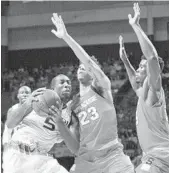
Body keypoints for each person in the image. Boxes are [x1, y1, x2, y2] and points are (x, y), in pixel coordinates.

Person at [49, 13, 134, 173]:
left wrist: (66, 37)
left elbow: (87, 61)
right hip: (87, 161)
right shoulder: (72, 105)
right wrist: (60, 123)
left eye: (86, 66)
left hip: (112, 157)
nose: (82, 67)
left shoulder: (102, 87)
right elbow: (75, 147)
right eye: (79, 66)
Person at [119, 3, 169, 173]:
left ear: (151, 70)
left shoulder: (155, 91)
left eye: (142, 66)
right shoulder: (143, 93)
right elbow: (133, 81)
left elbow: (152, 57)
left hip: (162, 155)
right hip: (154, 156)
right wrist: (125, 60)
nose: (138, 69)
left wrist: (136, 26)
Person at [3, 75, 72, 173]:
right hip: (19, 156)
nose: (67, 85)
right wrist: (27, 103)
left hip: (42, 159)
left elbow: (58, 139)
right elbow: (10, 124)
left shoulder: (68, 114)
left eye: (69, 82)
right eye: (62, 82)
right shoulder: (38, 98)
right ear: (52, 88)